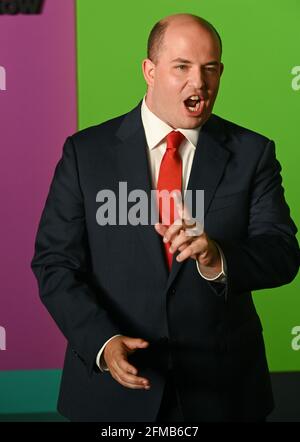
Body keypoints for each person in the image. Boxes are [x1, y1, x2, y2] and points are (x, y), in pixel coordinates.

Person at [31, 13, 299, 422]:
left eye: (210, 69)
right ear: (150, 71)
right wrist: (102, 342)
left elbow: (281, 253)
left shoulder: (253, 153)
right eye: (182, 67)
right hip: (111, 395)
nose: (200, 83)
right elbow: (55, 264)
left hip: (224, 394)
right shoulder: (86, 154)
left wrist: (216, 258)